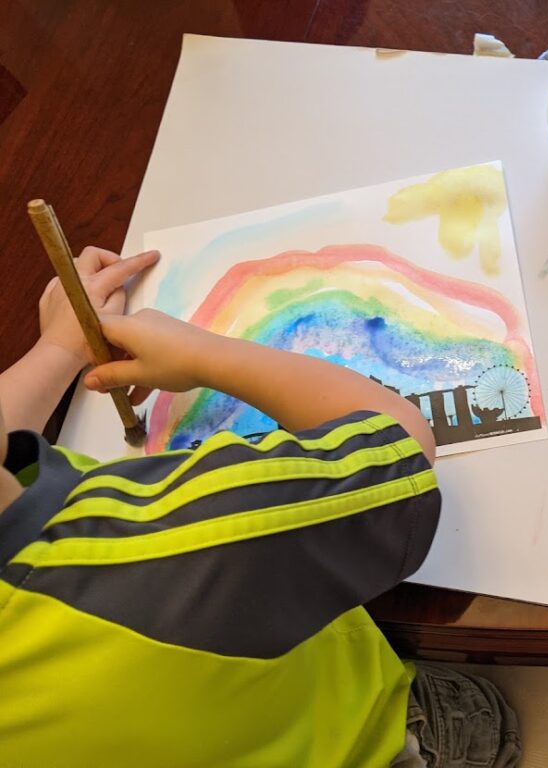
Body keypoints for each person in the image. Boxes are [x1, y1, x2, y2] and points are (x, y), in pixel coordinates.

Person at [0, 247, 520, 767]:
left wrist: (56, 349)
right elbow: (399, 442)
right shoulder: (171, 543)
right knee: (464, 721)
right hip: (348, 734)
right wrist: (203, 355)